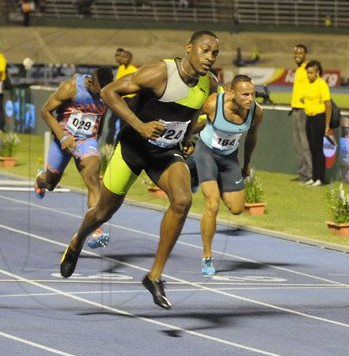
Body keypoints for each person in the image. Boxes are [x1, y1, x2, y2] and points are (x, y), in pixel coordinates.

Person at [60, 30, 220, 309]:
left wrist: (186, 137)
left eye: (214, 53)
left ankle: (154, 276)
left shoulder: (210, 82)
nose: (209, 57)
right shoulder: (160, 73)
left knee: (182, 201)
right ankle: (77, 241)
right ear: (188, 48)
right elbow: (109, 93)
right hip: (134, 148)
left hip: (165, 152)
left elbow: (193, 110)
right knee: (103, 212)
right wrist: (141, 126)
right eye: (205, 50)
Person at [187, 74, 263, 275]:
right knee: (212, 205)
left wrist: (246, 164)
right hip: (206, 153)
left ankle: (203, 177)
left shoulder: (255, 112)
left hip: (229, 159)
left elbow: (251, 137)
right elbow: (194, 114)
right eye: (245, 94)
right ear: (231, 93)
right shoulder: (213, 104)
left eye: (252, 94)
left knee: (237, 209)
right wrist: (186, 140)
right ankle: (207, 257)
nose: (250, 99)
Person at [35, 67, 114, 249]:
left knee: (94, 180)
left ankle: (97, 231)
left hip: (87, 140)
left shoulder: (107, 92)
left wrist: (95, 138)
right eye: (98, 90)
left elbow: (100, 117)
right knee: (50, 183)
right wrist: (63, 137)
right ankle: (40, 179)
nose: (101, 94)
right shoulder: (71, 87)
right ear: (90, 82)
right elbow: (45, 111)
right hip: (63, 138)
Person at [302, 60, 332, 187]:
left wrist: (327, 124)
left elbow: (328, 105)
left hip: (319, 118)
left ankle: (320, 178)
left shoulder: (322, 84)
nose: (309, 75)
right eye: (308, 73)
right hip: (309, 118)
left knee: (318, 149)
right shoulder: (308, 84)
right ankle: (313, 178)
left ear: (317, 72)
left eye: (311, 73)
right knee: (312, 149)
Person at [290, 44, 312, 183]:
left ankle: (310, 174)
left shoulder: (309, 68)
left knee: (305, 144)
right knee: (298, 144)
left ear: (305, 55)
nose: (298, 55)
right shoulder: (299, 70)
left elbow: (314, 84)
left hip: (304, 110)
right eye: (296, 52)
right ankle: (303, 174)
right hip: (296, 109)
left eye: (300, 52)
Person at [104, 47, 125, 145]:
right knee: (111, 124)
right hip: (116, 101)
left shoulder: (128, 69)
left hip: (124, 103)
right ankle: (109, 146)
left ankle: (119, 145)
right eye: (116, 56)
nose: (118, 58)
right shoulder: (119, 69)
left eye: (120, 56)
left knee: (122, 125)